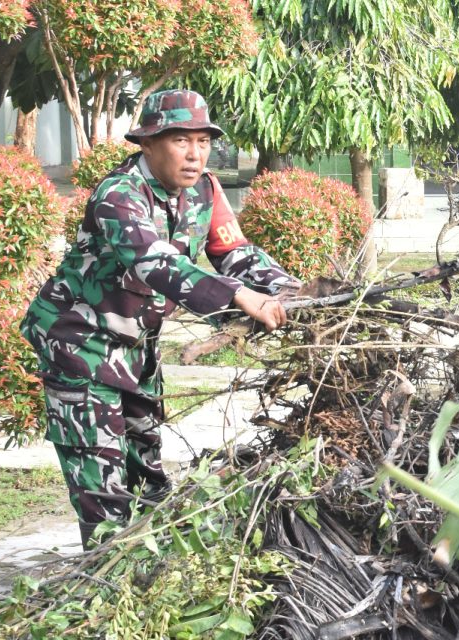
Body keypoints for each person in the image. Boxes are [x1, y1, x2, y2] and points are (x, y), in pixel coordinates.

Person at [21, 90, 299, 547]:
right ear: (148, 143)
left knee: (148, 478)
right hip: (79, 348)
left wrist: (292, 292)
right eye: (180, 141)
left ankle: (144, 580)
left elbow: (235, 251)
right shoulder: (119, 195)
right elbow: (156, 263)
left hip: (135, 352)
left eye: (203, 141)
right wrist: (239, 296)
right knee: (103, 490)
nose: (195, 154)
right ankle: (104, 590)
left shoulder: (205, 191)